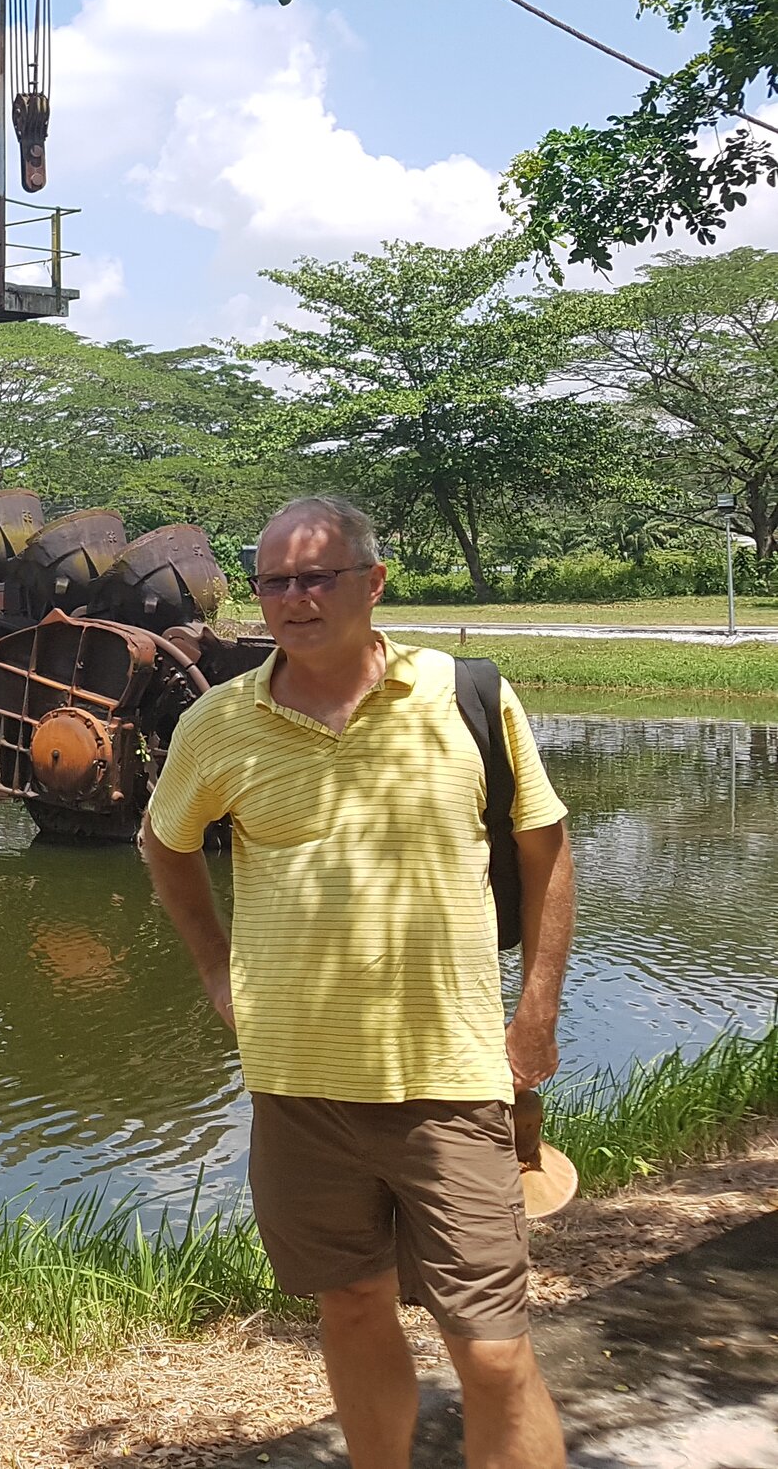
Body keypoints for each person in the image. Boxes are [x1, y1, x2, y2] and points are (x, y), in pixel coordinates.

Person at [140, 497, 576, 1469]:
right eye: (274, 582)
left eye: (316, 577)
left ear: (371, 584)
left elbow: (545, 850)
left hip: (451, 1082)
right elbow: (164, 847)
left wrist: (536, 1013)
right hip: (298, 1087)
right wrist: (215, 967)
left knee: (495, 1349)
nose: (294, 600)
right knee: (350, 1305)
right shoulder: (219, 723)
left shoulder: (464, 696)